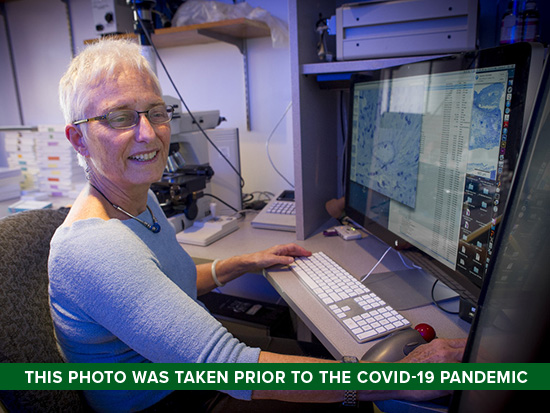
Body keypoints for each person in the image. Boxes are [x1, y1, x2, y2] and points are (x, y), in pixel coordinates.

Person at [49, 38, 466, 412]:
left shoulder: (136, 199)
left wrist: (242, 263)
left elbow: (164, 290)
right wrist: (400, 380)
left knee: (324, 358)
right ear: (78, 139)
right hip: (169, 402)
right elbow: (229, 368)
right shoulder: (97, 246)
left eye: (156, 112)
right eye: (120, 118)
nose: (148, 133)